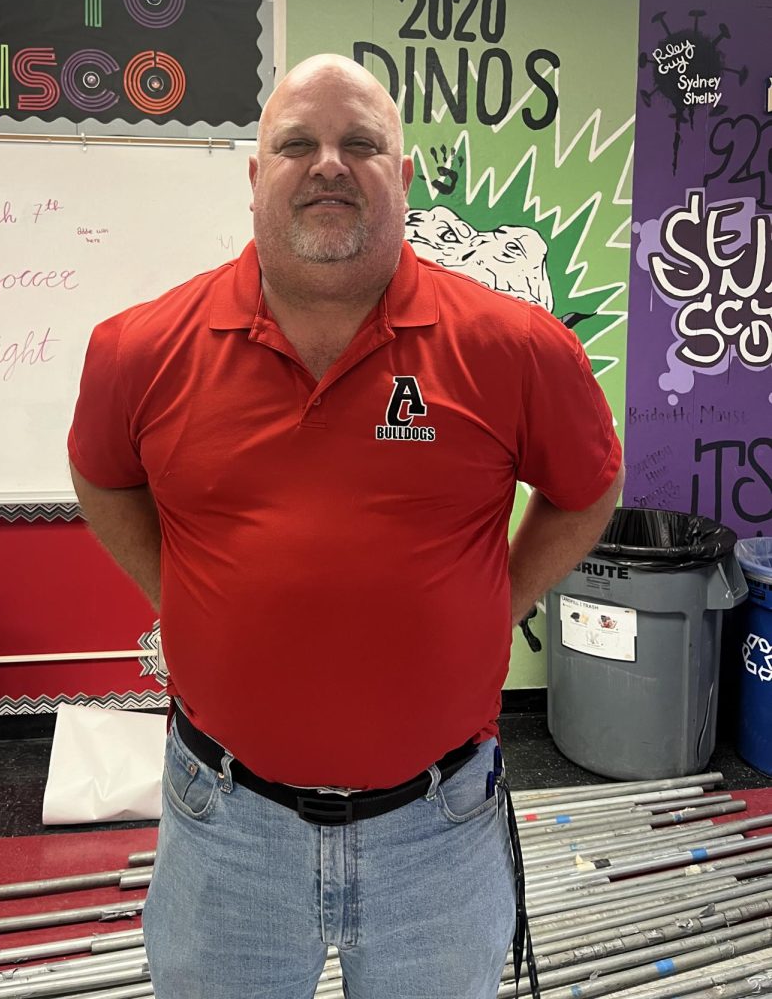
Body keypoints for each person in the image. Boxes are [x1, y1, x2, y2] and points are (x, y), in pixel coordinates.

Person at [68, 54, 624, 999]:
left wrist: (499, 601)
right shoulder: (140, 349)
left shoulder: (518, 349)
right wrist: (188, 599)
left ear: (401, 178)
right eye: (298, 143)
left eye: (361, 143)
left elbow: (586, 492)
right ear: (255, 177)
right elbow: (101, 477)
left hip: (439, 834)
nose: (330, 163)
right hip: (225, 829)